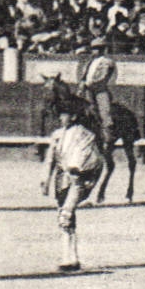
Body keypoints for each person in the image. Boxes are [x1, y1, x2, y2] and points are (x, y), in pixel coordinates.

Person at [42, 100, 104, 273]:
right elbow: (50, 159)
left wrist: (79, 171)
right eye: (61, 114)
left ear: (74, 116)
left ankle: (72, 257)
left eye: (65, 114)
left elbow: (94, 159)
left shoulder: (85, 135)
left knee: (66, 215)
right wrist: (45, 179)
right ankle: (69, 258)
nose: (61, 117)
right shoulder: (57, 134)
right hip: (61, 178)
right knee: (63, 216)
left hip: (78, 179)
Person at [81, 37, 117, 142]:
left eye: (96, 48)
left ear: (102, 49)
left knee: (104, 110)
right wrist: (82, 84)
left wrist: (89, 84)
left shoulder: (107, 62)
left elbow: (102, 77)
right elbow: (84, 76)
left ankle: (108, 134)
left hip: (99, 90)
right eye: (93, 48)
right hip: (87, 90)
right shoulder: (90, 62)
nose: (94, 50)